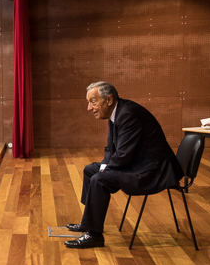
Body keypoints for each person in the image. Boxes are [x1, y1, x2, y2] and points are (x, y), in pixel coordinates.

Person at [64, 82, 184, 249]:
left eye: (93, 101)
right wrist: (104, 165)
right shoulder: (117, 112)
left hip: (151, 171)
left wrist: (105, 169)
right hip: (137, 163)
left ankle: (94, 235)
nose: (89, 108)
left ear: (109, 100)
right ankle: (88, 222)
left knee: (99, 179)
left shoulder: (128, 114)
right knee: (90, 171)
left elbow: (123, 155)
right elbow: (111, 149)